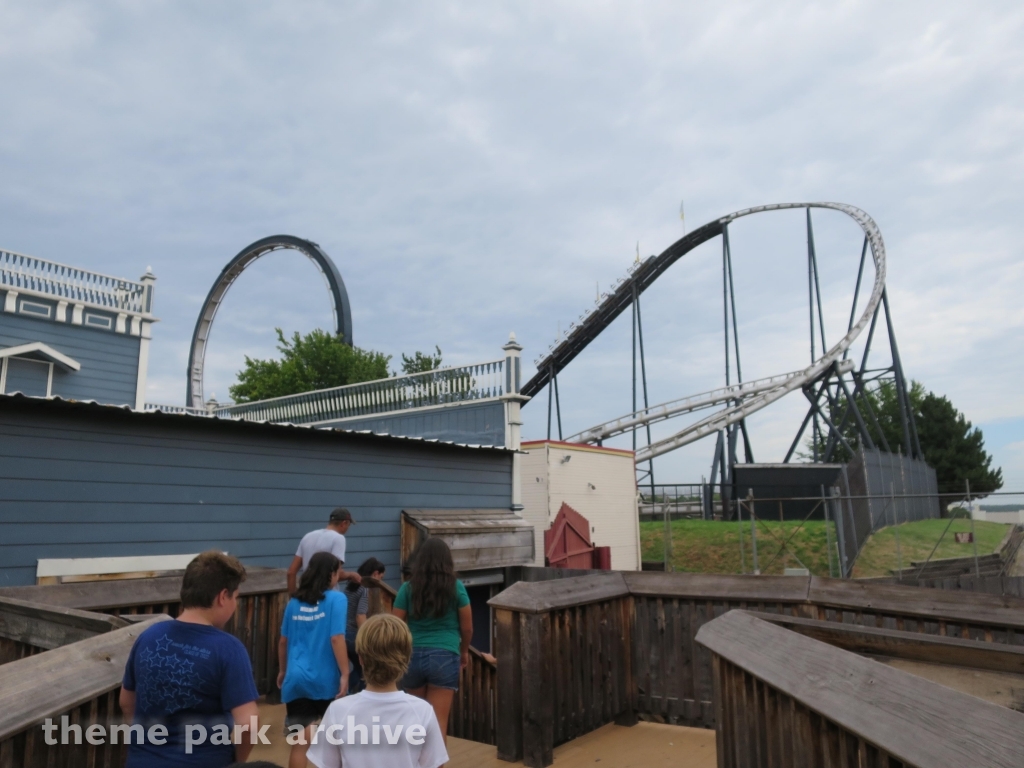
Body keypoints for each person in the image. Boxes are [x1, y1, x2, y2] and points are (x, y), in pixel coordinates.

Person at [120, 551, 260, 767]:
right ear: (223, 597)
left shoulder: (148, 637)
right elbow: (248, 725)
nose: (235, 604)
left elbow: (126, 703)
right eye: (235, 598)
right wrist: (237, 762)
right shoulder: (229, 649)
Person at [307, 614, 448, 768]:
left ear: (361, 658)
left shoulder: (338, 711)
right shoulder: (422, 711)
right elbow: (435, 764)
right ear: (407, 658)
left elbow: (324, 764)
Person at [392, 538, 472, 742]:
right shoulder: (456, 587)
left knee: (416, 722)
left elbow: (395, 626)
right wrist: (463, 651)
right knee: (437, 723)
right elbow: (467, 627)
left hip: (413, 656)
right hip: (445, 655)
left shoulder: (407, 588)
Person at [277, 551, 350, 768]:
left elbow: (283, 641)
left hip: (295, 680)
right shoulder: (337, 599)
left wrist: (283, 671)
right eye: (337, 572)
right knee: (336, 742)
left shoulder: (294, 602)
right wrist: (345, 673)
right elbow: (336, 638)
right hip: (327, 681)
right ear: (331, 574)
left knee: (300, 743)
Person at [288, 508, 361, 596]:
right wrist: (351, 575)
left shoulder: (307, 536)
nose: (348, 529)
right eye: (348, 525)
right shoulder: (338, 538)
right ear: (343, 523)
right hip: (326, 596)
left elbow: (291, 572)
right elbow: (336, 574)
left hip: (306, 596)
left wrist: (293, 598)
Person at [345, 557, 387, 693]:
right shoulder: (364, 589)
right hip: (354, 634)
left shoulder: (350, 586)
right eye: (381, 578)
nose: (380, 581)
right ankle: (352, 693)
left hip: (343, 634)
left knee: (357, 669)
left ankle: (346, 690)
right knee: (366, 672)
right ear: (375, 574)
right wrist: (365, 638)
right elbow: (360, 615)